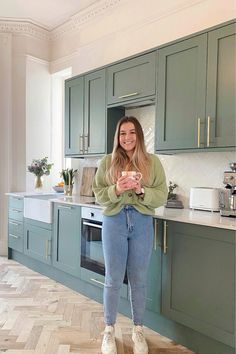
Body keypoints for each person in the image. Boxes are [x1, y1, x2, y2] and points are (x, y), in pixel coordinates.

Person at [92, 116, 167, 354]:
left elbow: (162, 194)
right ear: (118, 137)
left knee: (139, 280)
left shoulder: (152, 162)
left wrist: (141, 189)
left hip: (142, 221)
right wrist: (116, 188)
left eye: (132, 132)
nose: (127, 137)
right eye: (122, 133)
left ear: (139, 135)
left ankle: (138, 330)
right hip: (114, 220)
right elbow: (98, 194)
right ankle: (109, 331)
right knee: (113, 279)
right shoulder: (107, 162)